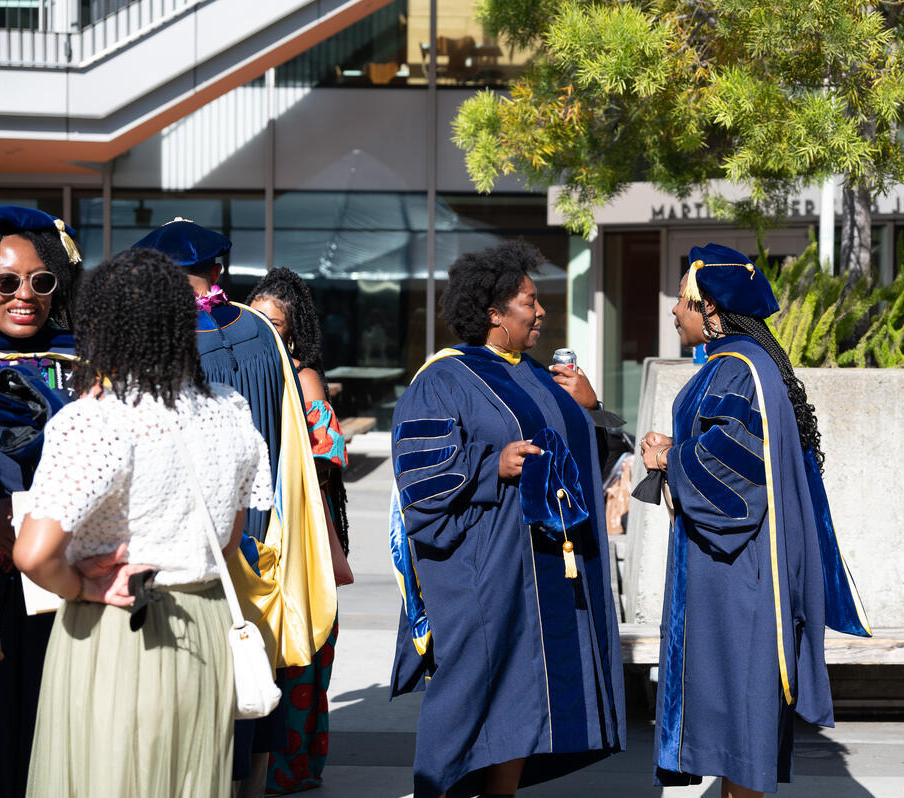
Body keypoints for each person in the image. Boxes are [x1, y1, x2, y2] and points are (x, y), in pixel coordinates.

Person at [13, 248, 273, 797]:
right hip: (204, 630)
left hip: (116, 629)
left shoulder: (95, 419)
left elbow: (34, 554)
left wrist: (84, 583)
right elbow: (228, 541)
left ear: (99, 326)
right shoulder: (230, 408)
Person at [388, 240, 625, 798]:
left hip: (543, 568)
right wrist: (492, 464)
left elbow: (593, 459)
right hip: (484, 569)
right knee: (470, 692)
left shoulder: (541, 376)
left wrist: (590, 410)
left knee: (524, 697)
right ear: (494, 313)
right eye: (528, 301)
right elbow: (418, 477)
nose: (541, 312)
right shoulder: (443, 379)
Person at [638, 243, 869, 798]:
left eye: (682, 301)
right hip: (742, 564)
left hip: (737, 571)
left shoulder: (735, 370)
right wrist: (682, 450)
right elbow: (740, 451)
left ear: (710, 308)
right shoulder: (750, 363)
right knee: (738, 709)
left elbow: (735, 478)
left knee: (740, 707)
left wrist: (671, 458)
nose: (674, 312)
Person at [131, 220, 337, 796]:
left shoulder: (158, 334)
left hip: (188, 532)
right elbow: (291, 434)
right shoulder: (258, 331)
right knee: (255, 657)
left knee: (193, 663)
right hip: (260, 523)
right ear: (218, 269)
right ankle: (255, 779)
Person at [248, 267, 351, 794]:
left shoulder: (302, 375)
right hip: (264, 524)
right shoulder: (251, 364)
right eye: (256, 318)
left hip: (302, 527)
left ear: (293, 330)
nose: (266, 329)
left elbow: (329, 457)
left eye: (276, 322)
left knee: (302, 642)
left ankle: (294, 766)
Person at [0, 206, 82, 798]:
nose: (25, 294)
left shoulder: (82, 358)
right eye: (5, 282)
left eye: (40, 280)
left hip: (63, 576)